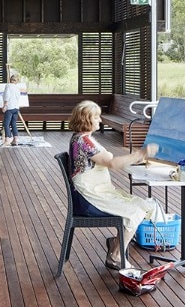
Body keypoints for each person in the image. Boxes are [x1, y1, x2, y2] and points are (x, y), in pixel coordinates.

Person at [67, 100, 158, 270]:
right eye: (96, 117)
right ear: (86, 120)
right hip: (87, 200)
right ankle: (115, 256)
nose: (100, 120)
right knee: (134, 211)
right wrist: (141, 154)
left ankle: (116, 243)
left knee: (141, 205)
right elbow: (113, 163)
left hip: (94, 192)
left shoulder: (83, 138)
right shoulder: (83, 142)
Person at [0, 73, 22, 147]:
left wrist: (5, 105)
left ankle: (7, 140)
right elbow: (18, 97)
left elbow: (7, 96)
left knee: (6, 124)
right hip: (16, 108)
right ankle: (15, 140)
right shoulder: (17, 88)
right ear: (17, 81)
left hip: (9, 107)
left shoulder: (8, 86)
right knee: (13, 124)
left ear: (10, 80)